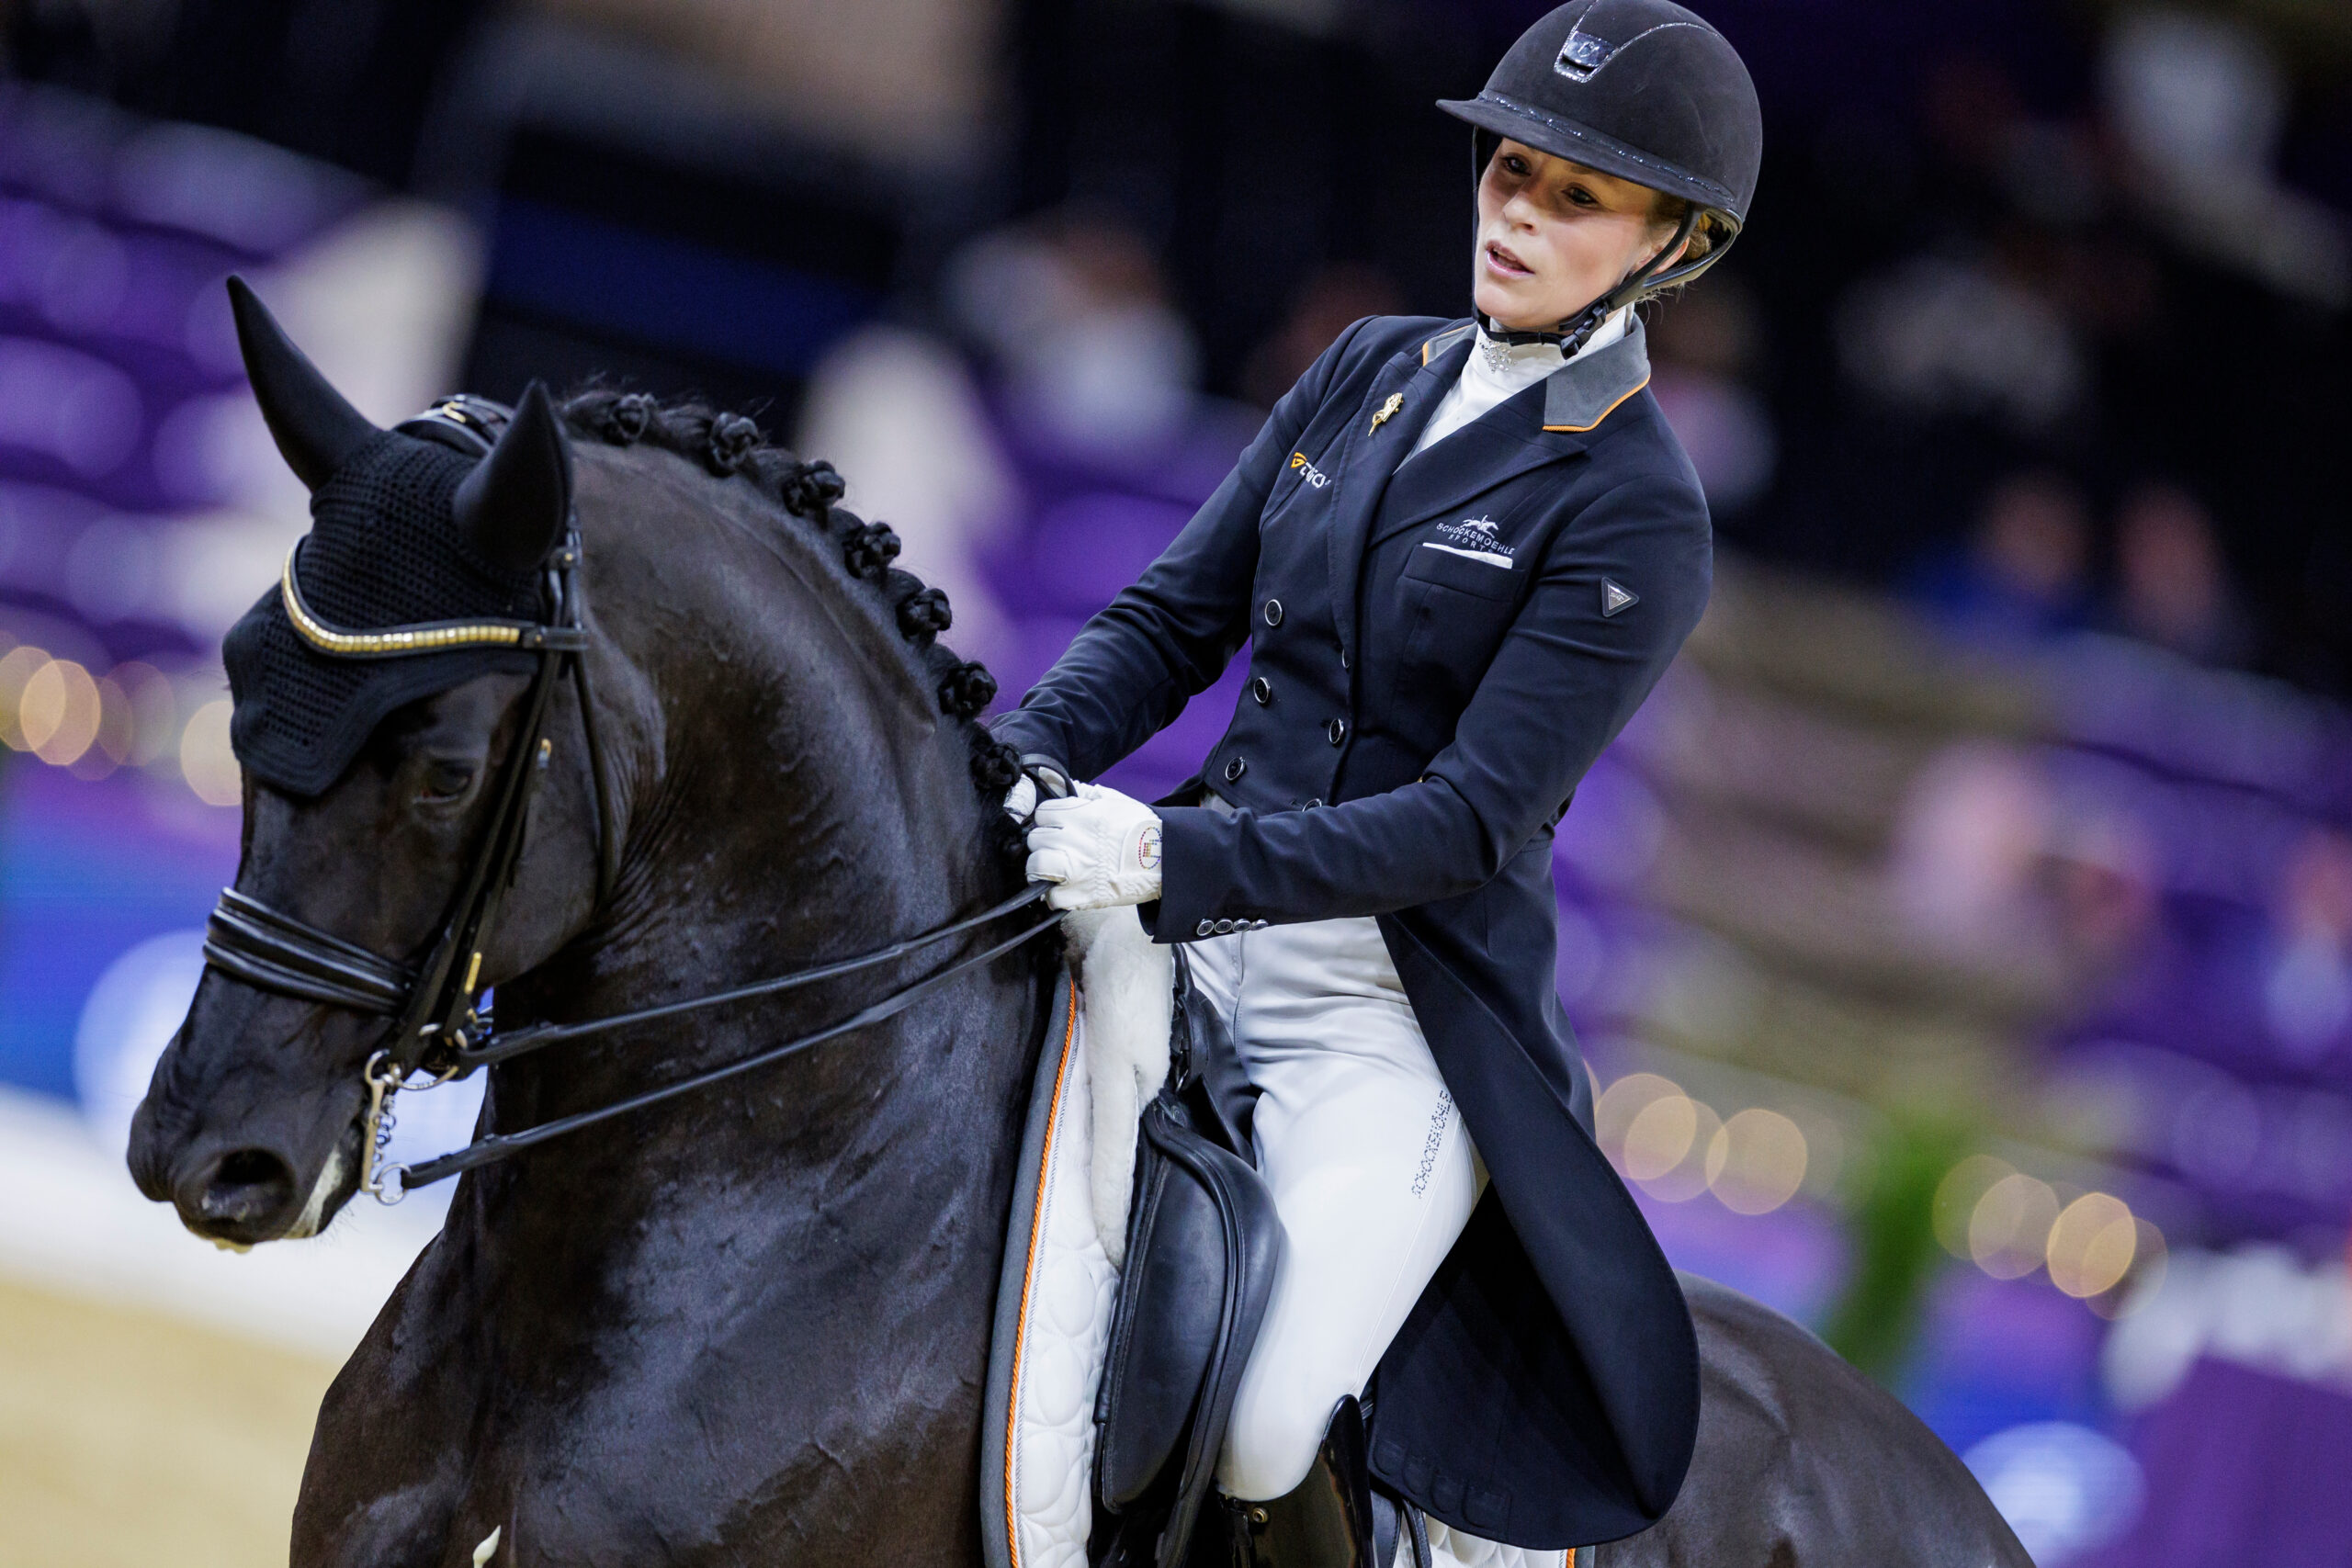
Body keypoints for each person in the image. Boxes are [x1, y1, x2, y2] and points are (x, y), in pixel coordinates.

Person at [995, 3, 1761, 1561]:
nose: (1518, 218)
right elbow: (1169, 621)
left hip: (1389, 1019)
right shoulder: (1368, 371)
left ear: (1672, 242)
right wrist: (1018, 751)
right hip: (1179, 933)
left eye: (1575, 200)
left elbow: (1475, 820)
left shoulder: (1635, 509)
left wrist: (1174, 864)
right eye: (1510, 173)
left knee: (1270, 1422)